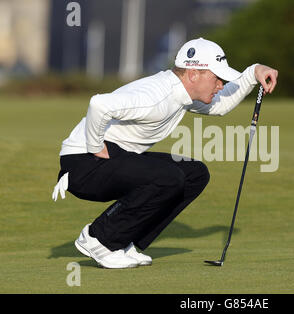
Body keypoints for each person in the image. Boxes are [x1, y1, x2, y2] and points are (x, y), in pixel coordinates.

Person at [52, 37, 278, 269]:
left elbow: (220, 105)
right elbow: (99, 104)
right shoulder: (156, 97)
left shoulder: (182, 96)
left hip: (111, 158)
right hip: (83, 165)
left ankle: (121, 239)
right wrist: (95, 146)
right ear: (193, 74)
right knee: (168, 177)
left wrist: (253, 73)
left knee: (194, 174)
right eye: (217, 78)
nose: (220, 84)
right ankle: (99, 238)